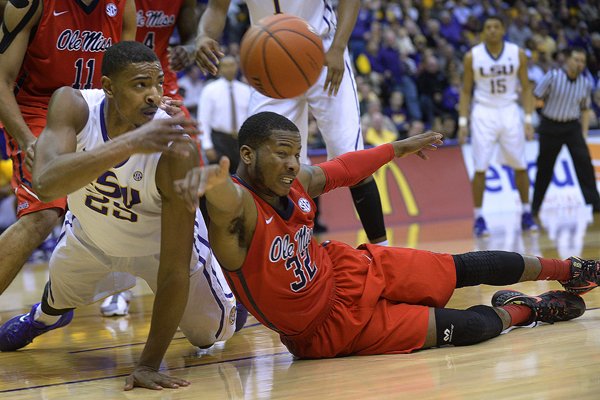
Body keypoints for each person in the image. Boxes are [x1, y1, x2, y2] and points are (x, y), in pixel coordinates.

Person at [173, 111, 596, 359]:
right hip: (325, 332)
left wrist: (399, 147)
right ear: (247, 155)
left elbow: (343, 169)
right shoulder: (237, 211)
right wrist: (207, 176)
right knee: (469, 326)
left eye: (296, 153)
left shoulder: (295, 180)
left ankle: (572, 268)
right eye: (281, 153)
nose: (291, 163)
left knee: (463, 268)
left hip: (348, 270)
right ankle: (531, 309)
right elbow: (224, 198)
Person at [0, 41, 240, 391]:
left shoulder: (176, 148)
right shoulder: (73, 105)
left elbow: (173, 268)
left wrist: (147, 364)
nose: (154, 95)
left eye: (158, 84)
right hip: (91, 240)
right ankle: (43, 317)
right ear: (108, 87)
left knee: (212, 335)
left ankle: (230, 296)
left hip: (158, 251)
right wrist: (130, 143)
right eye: (140, 85)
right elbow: (46, 185)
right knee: (58, 296)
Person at [195, 0, 389, 246]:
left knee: (350, 156)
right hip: (269, 60)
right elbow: (216, 8)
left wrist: (339, 47)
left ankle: (383, 252)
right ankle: (292, 252)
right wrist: (203, 36)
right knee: (269, 163)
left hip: (323, 51)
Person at [0, 0, 137, 295]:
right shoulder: (31, 4)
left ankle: (55, 306)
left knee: (144, 192)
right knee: (43, 214)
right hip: (40, 112)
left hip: (95, 111)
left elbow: (129, 78)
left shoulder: (123, 5)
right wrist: (26, 140)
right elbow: (2, 80)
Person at [99, 0, 201, 317]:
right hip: (123, 86)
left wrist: (191, 48)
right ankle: (118, 288)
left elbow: (192, 37)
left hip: (161, 84)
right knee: (116, 186)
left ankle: (208, 274)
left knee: (190, 175)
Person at [458, 16, 538, 237]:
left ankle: (526, 213)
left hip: (510, 110)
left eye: (496, 26)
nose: (492, 30)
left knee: (520, 165)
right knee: (480, 167)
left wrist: (529, 119)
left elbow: (526, 87)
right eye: (488, 27)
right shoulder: (472, 56)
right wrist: (463, 122)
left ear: (503, 30)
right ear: (483, 32)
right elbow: (465, 91)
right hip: (483, 112)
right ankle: (479, 217)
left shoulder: (517, 53)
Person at [531, 47, 600, 216]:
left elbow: (584, 109)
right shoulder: (553, 77)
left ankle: (595, 204)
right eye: (576, 60)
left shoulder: (585, 83)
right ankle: (535, 206)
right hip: (550, 126)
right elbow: (536, 97)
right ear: (568, 60)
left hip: (572, 127)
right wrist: (536, 117)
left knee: (584, 164)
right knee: (545, 167)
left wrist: (583, 133)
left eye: (582, 61)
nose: (580, 64)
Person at [199, 55, 251, 172]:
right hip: (219, 140)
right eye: (225, 66)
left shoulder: (246, 90)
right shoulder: (210, 89)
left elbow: (250, 117)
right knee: (220, 179)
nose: (229, 69)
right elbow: (203, 120)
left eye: (232, 65)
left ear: (237, 67)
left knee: (241, 177)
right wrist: (207, 145)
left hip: (240, 140)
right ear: (220, 69)